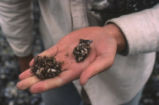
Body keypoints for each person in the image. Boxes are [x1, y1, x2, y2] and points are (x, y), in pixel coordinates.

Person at [0, 0, 159, 105]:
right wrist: (22, 51)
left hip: (124, 74)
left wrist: (117, 34)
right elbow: (11, 3)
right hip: (54, 43)